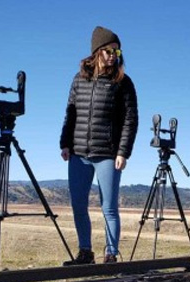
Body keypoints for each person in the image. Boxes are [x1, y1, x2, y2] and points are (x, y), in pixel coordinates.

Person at [60, 26, 138, 265]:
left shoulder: (123, 83)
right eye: (107, 50)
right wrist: (65, 143)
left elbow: (130, 119)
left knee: (109, 207)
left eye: (116, 50)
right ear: (96, 52)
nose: (113, 55)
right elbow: (70, 113)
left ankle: (111, 254)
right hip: (79, 153)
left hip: (108, 154)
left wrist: (123, 152)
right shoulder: (79, 79)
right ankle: (85, 253)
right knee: (78, 204)